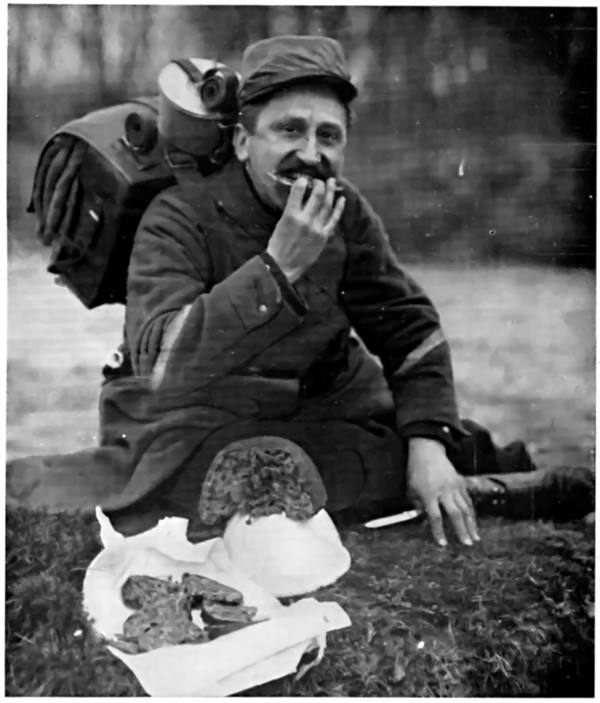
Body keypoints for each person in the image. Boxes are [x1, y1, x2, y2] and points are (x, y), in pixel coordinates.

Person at [7, 35, 593, 542]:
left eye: (328, 136)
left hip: (324, 409)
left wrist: (428, 447)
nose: (310, 154)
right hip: (192, 426)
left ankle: (453, 474)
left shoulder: (346, 211)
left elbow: (409, 330)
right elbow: (162, 363)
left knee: (449, 447)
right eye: (289, 129)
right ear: (241, 141)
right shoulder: (175, 218)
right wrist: (276, 267)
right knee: (221, 482)